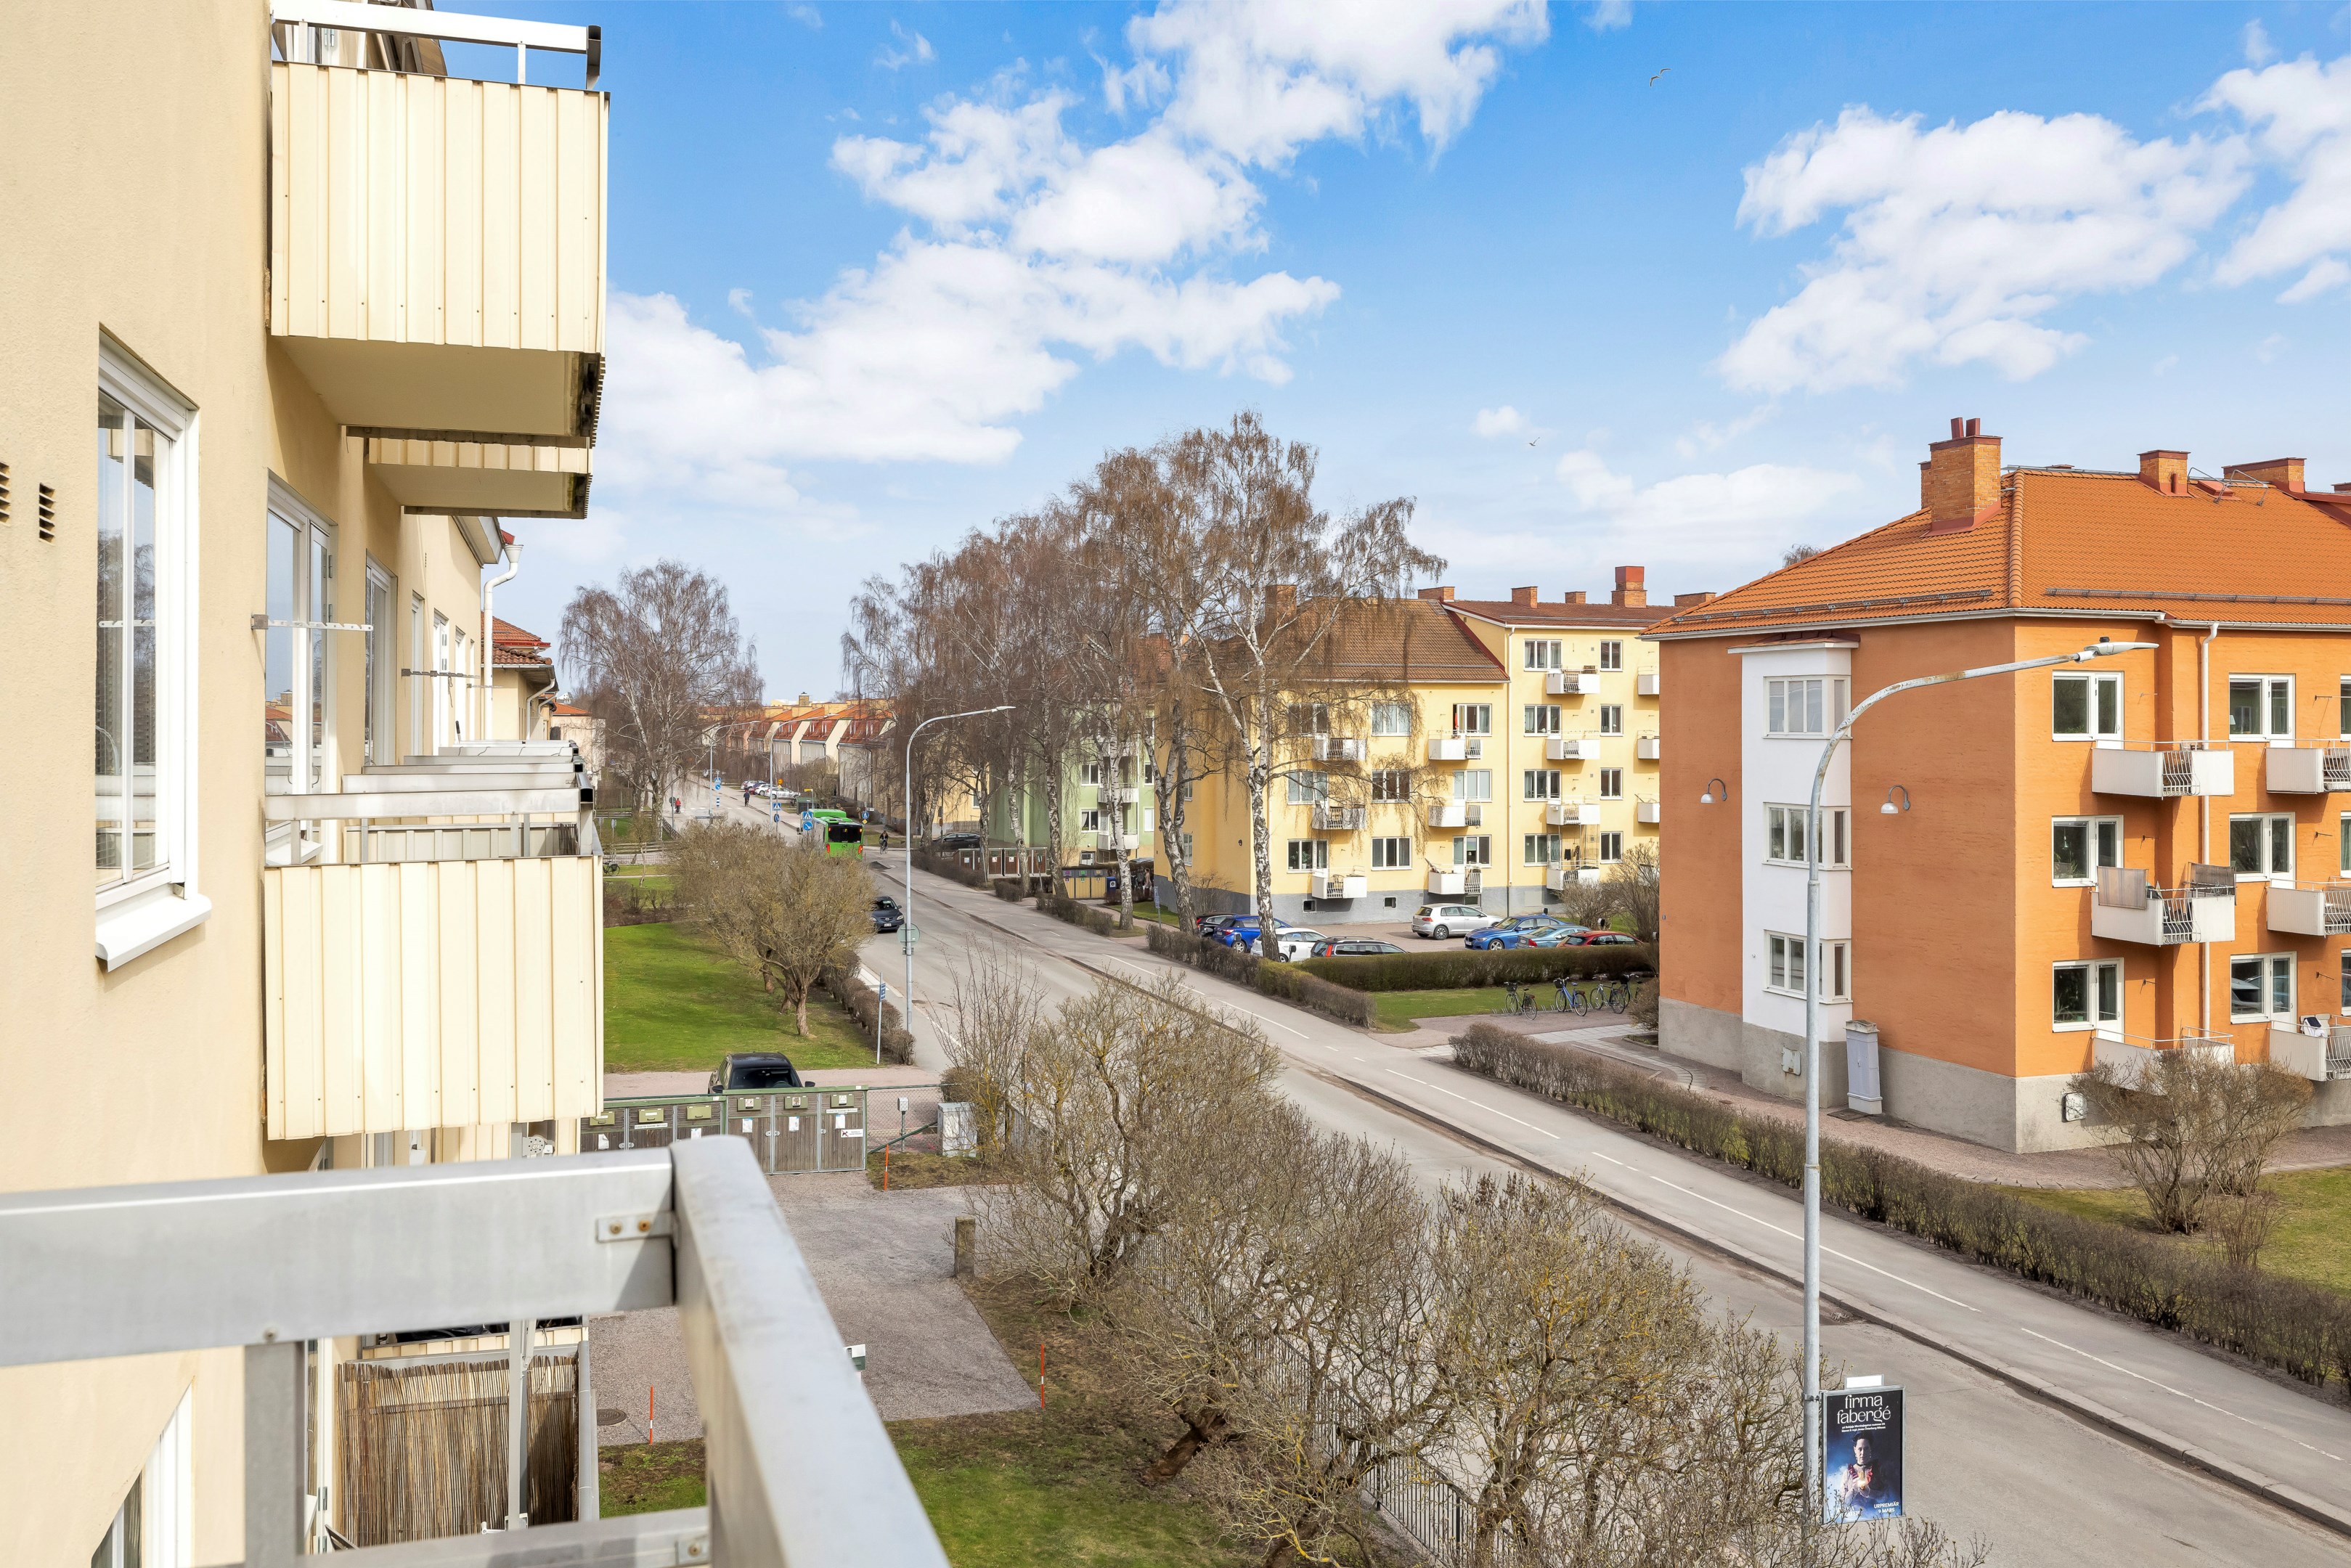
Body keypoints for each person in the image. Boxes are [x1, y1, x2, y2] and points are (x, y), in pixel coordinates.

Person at [1830, 1434, 1894, 1521]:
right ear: (1855, 1449)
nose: (1863, 1453)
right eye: (1860, 1449)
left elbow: (1886, 1498)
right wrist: (1854, 1489)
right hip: (1852, 1521)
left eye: (1866, 1449)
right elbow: (1842, 1503)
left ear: (1870, 1449)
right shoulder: (1848, 1473)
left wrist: (1870, 1493)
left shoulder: (1879, 1469)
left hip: (1876, 1519)